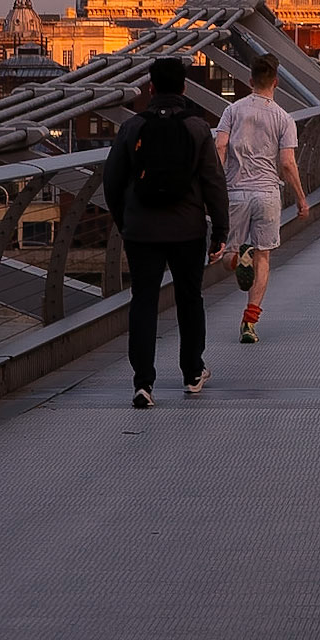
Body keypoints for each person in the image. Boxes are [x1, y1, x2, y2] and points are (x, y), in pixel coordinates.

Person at [104, 56, 230, 405]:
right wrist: (220, 230)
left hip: (141, 231)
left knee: (143, 301)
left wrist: (125, 221)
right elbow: (214, 182)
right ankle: (192, 373)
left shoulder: (132, 127)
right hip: (187, 229)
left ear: (151, 88)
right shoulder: (197, 127)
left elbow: (112, 182)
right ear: (185, 88)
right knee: (190, 299)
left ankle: (143, 383)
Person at [215, 54, 310, 344]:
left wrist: (216, 183)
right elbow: (287, 163)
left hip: (235, 191)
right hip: (268, 193)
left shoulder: (232, 110)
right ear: (276, 82)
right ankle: (249, 322)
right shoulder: (284, 118)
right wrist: (301, 199)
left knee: (225, 254)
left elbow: (220, 146)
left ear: (250, 81)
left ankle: (238, 260)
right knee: (264, 257)